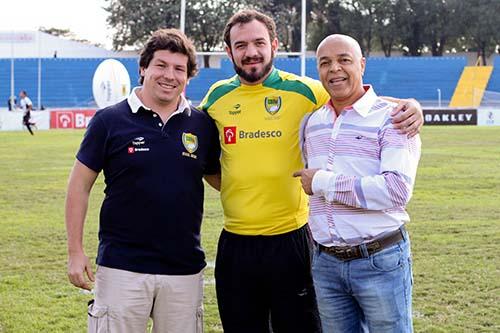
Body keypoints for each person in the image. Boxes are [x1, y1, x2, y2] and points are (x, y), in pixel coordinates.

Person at [199, 9, 423, 333]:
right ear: (229, 51)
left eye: (259, 42)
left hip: (293, 239)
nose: (251, 52)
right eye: (241, 45)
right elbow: (205, 160)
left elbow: (356, 96)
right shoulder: (215, 97)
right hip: (236, 241)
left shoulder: (306, 92)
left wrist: (411, 106)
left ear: (275, 45)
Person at [65, 28, 221, 333]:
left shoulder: (202, 124)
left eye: (179, 69)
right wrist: (75, 251)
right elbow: (78, 186)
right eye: (161, 65)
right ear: (143, 68)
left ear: (188, 76)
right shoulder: (109, 121)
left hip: (183, 269)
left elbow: (223, 180)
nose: (169, 75)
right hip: (121, 267)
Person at [293, 34, 421, 332]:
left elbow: (396, 190)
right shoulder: (312, 123)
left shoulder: (393, 118)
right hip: (326, 263)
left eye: (344, 60)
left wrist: (323, 182)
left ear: (362, 64)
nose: (334, 69)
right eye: (325, 63)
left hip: (379, 259)